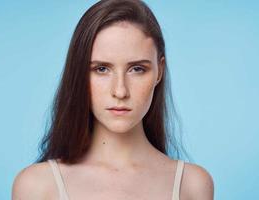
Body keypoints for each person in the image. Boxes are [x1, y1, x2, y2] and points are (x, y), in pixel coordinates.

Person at [12, 0, 214, 199]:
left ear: (159, 71)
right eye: (101, 69)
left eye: (137, 69)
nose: (120, 91)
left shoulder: (192, 185)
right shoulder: (37, 187)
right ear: (79, 72)